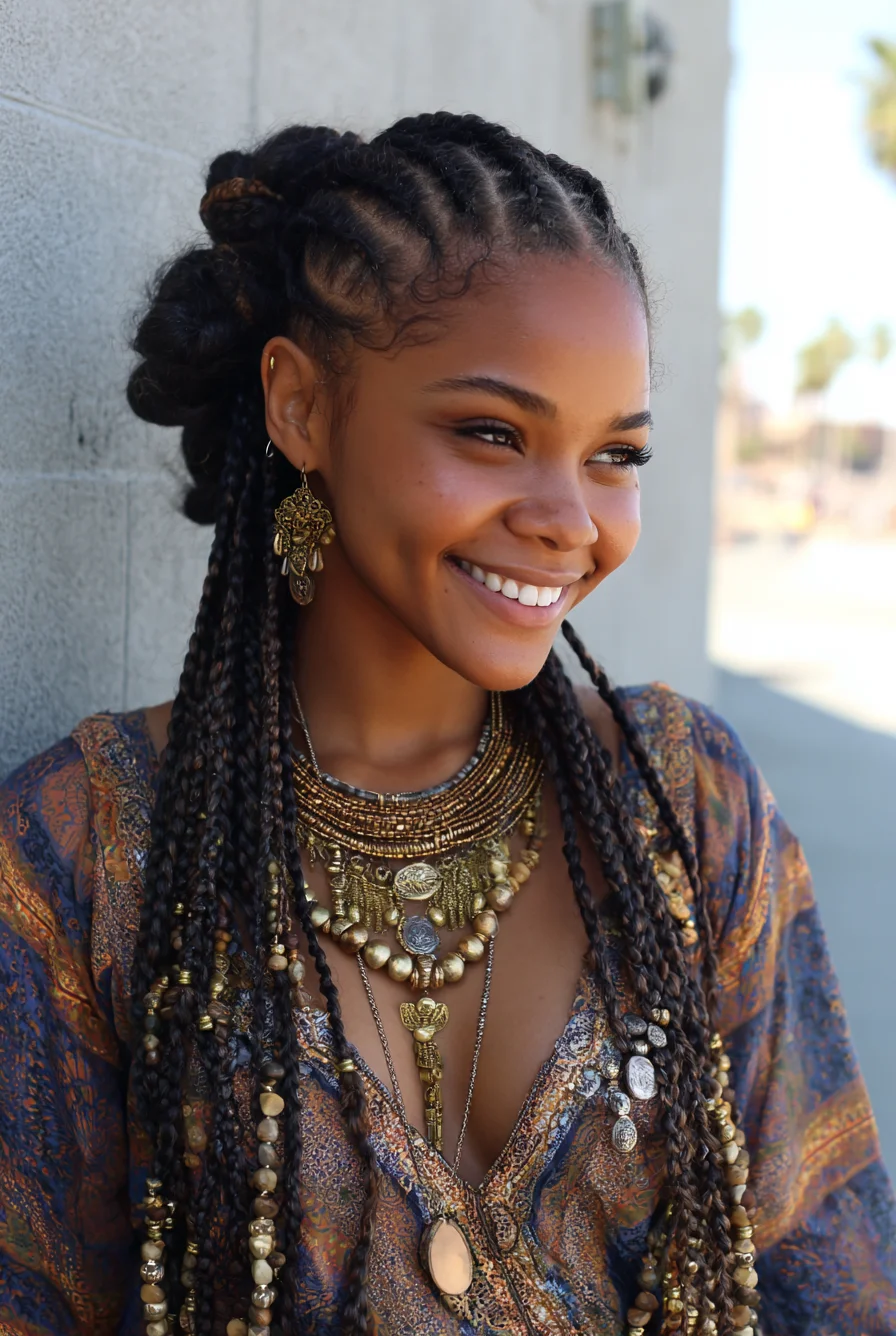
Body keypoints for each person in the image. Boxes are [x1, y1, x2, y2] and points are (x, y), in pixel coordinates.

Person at [0, 113, 892, 1336]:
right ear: (301, 407)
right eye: (491, 433)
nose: (568, 519)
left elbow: (825, 1280)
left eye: (615, 454)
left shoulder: (681, 804)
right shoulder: (85, 852)